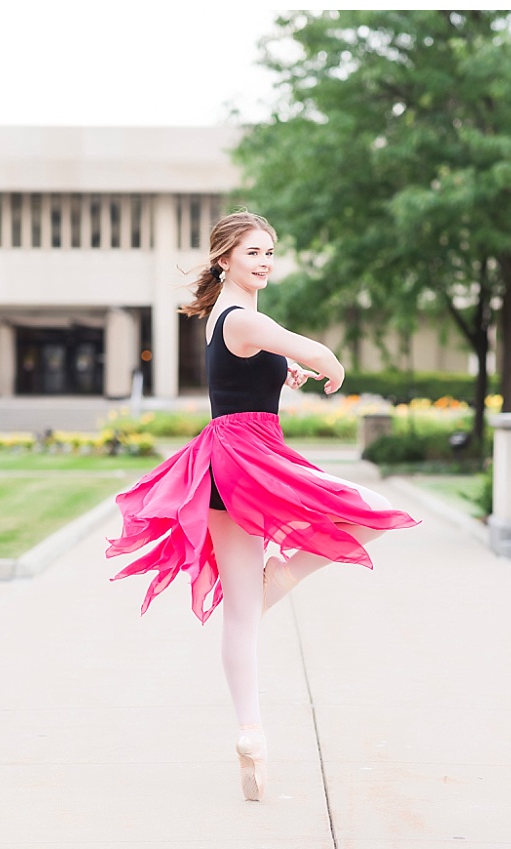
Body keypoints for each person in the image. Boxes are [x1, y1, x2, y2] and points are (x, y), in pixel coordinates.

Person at [106, 211, 417, 802]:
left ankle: (250, 733)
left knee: (244, 613)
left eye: (270, 252)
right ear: (224, 258)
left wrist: (285, 370)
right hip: (249, 457)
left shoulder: (226, 317)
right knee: (372, 509)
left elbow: (249, 366)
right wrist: (328, 365)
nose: (265, 262)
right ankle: (283, 576)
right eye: (253, 252)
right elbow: (317, 349)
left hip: (227, 462)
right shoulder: (246, 318)